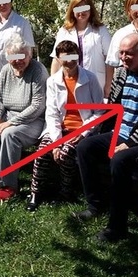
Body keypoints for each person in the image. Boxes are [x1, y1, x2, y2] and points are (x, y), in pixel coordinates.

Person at [74, 33, 138, 235]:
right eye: (121, 53)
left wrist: (131, 142)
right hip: (121, 131)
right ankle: (95, 204)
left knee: (119, 160)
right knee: (85, 147)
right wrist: (94, 130)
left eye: (129, 53)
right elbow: (114, 106)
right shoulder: (121, 73)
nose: (124, 57)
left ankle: (117, 225)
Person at [27, 40, 104, 211]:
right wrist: (56, 141)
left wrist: (83, 132)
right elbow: (52, 113)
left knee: (66, 153)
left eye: (73, 58)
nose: (69, 62)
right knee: (42, 152)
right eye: (65, 58)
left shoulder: (90, 79)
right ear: (58, 59)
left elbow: (99, 112)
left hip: (81, 130)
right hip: (59, 128)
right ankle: (35, 193)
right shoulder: (53, 81)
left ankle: (66, 192)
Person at [0, 33, 48, 201]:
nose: (18, 61)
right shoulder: (6, 70)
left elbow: (37, 106)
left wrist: (11, 123)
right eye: (14, 57)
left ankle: (8, 184)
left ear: (29, 55)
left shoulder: (38, 71)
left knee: (9, 134)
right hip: (9, 114)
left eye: (22, 56)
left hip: (33, 120)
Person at [50, 0, 111, 97]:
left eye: (85, 8)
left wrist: (108, 85)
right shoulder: (64, 31)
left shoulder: (101, 30)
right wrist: (53, 83)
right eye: (78, 8)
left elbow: (109, 60)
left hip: (96, 83)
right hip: (70, 83)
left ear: (90, 10)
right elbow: (57, 59)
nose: (81, 12)